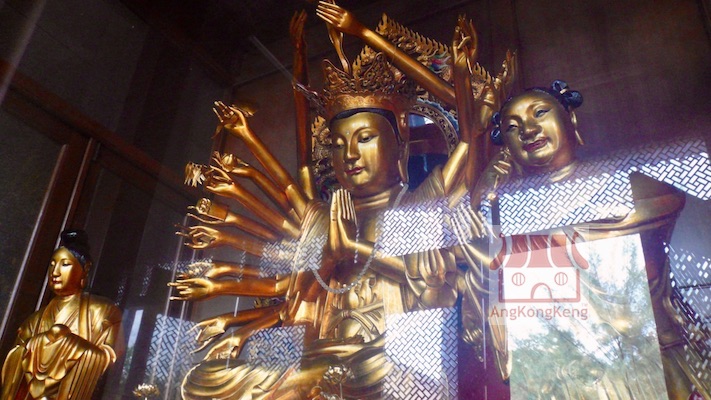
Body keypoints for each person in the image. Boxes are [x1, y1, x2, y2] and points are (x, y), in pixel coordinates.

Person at [476, 81, 709, 399]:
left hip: (645, 358)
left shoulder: (630, 183)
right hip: (565, 373)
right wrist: (489, 196)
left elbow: (653, 213)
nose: (528, 131)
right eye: (512, 128)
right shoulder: (508, 219)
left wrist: (557, 236)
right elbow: (488, 280)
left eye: (540, 113)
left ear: (570, 118)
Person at [1, 229, 122, 400]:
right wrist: (35, 344)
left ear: (85, 268)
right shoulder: (34, 320)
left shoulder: (103, 311)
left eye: (65, 264)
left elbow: (110, 357)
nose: (55, 272)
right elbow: (15, 359)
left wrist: (71, 345)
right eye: (52, 265)